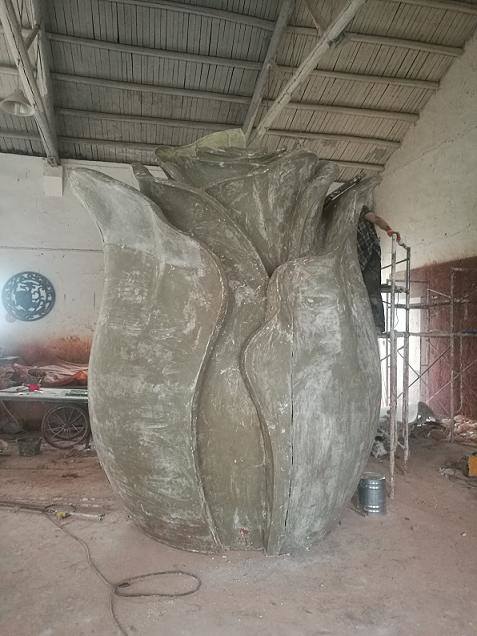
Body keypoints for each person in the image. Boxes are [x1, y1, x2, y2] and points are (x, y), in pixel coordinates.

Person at [357, 205, 400, 334]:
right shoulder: (345, 218)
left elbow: (375, 219)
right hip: (360, 259)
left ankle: (378, 325)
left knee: (372, 291)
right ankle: (367, 324)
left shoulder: (360, 210)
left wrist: (388, 229)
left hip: (370, 254)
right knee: (364, 293)